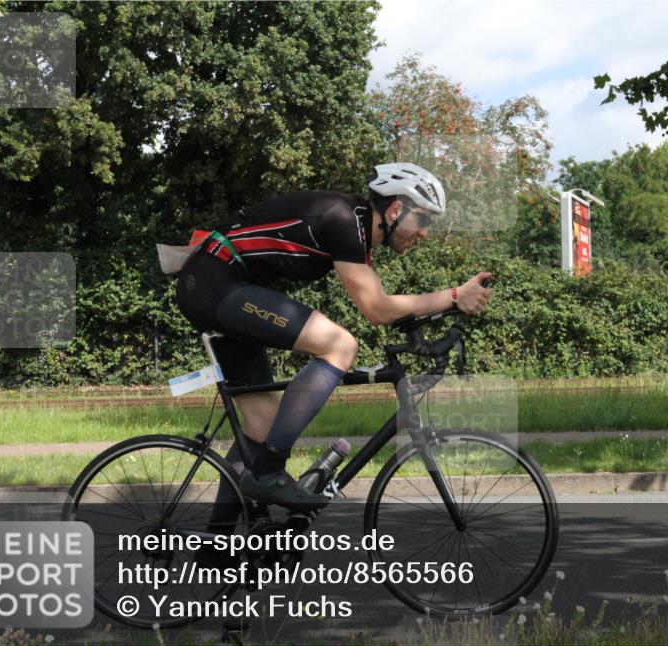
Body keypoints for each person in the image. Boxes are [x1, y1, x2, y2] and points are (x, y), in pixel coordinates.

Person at [174, 163, 492, 511]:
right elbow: (377, 309)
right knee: (340, 345)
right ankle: (269, 471)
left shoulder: (354, 226)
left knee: (262, 422)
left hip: (219, 284)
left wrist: (439, 311)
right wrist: (455, 296)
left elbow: (383, 306)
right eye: (426, 220)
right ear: (398, 209)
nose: (426, 233)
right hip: (215, 282)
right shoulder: (343, 220)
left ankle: (217, 548)